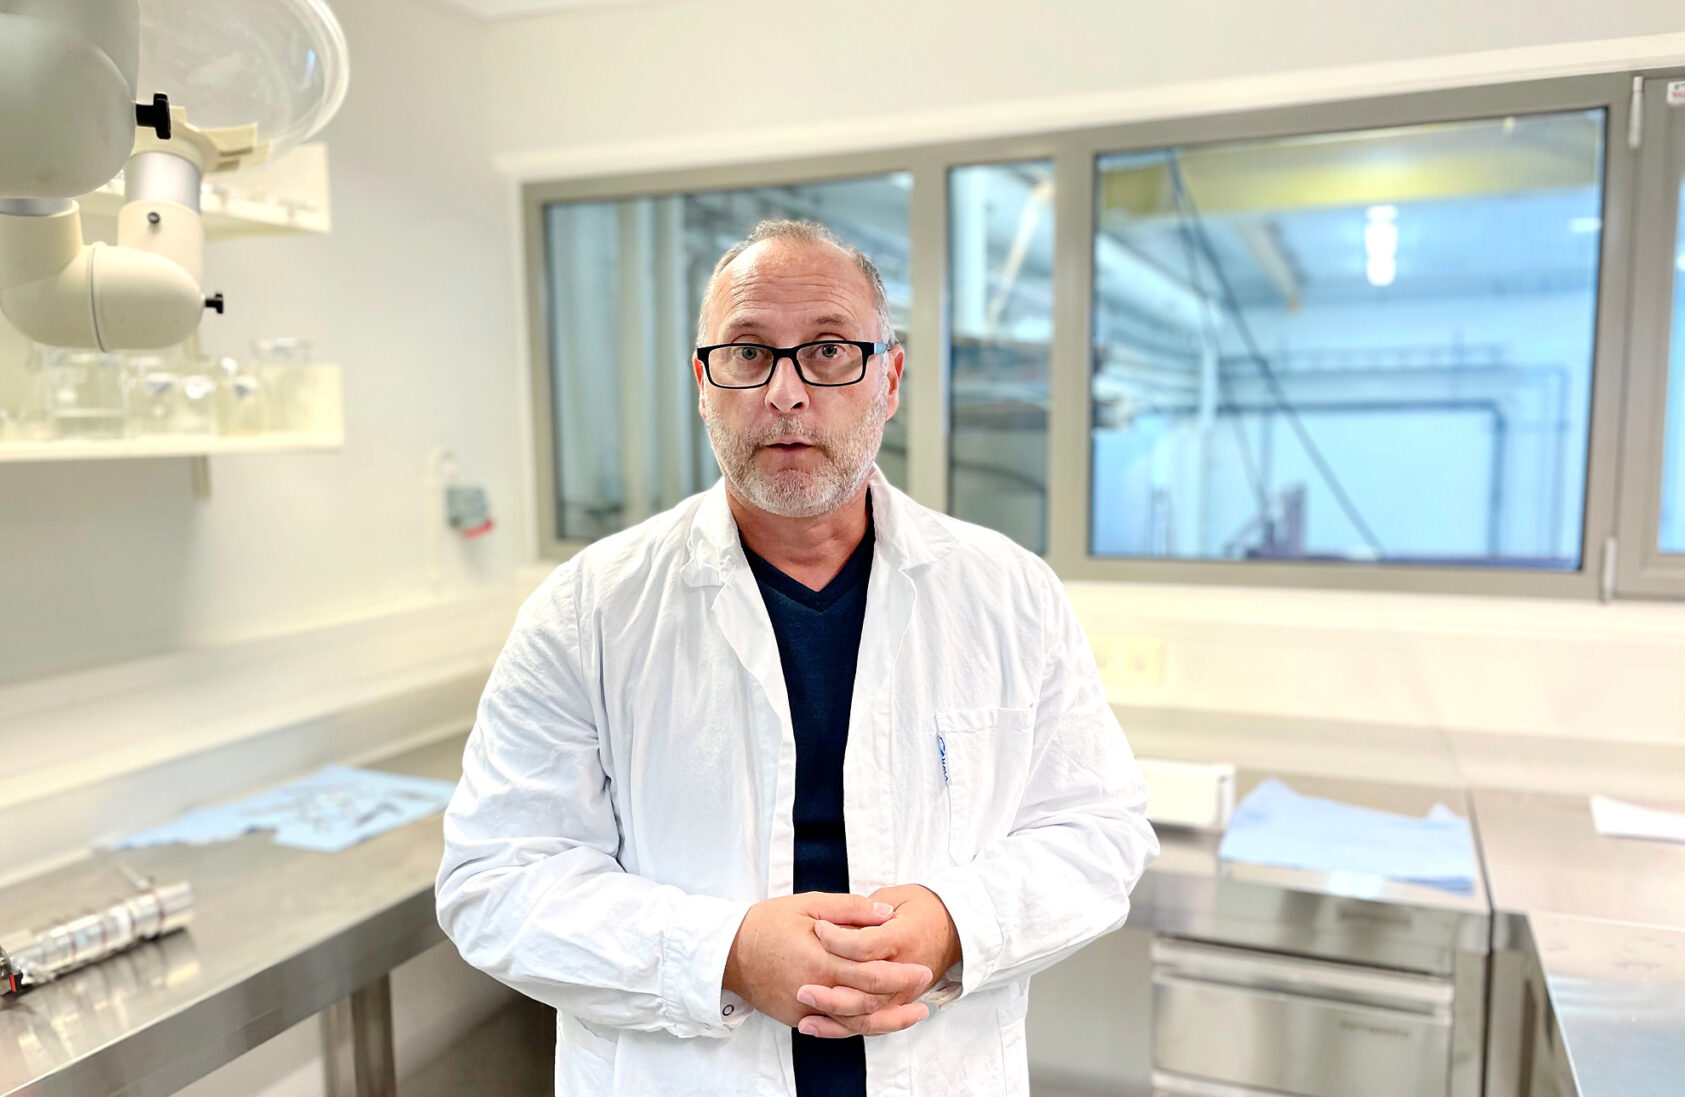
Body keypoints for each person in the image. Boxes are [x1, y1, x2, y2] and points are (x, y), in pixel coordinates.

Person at [436, 219, 1158, 1096]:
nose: (785, 392)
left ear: (889, 379)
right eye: (747, 353)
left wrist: (951, 924)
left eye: (827, 351)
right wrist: (726, 955)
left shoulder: (1007, 594)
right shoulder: (587, 609)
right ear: (703, 384)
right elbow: (496, 879)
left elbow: (1097, 833)